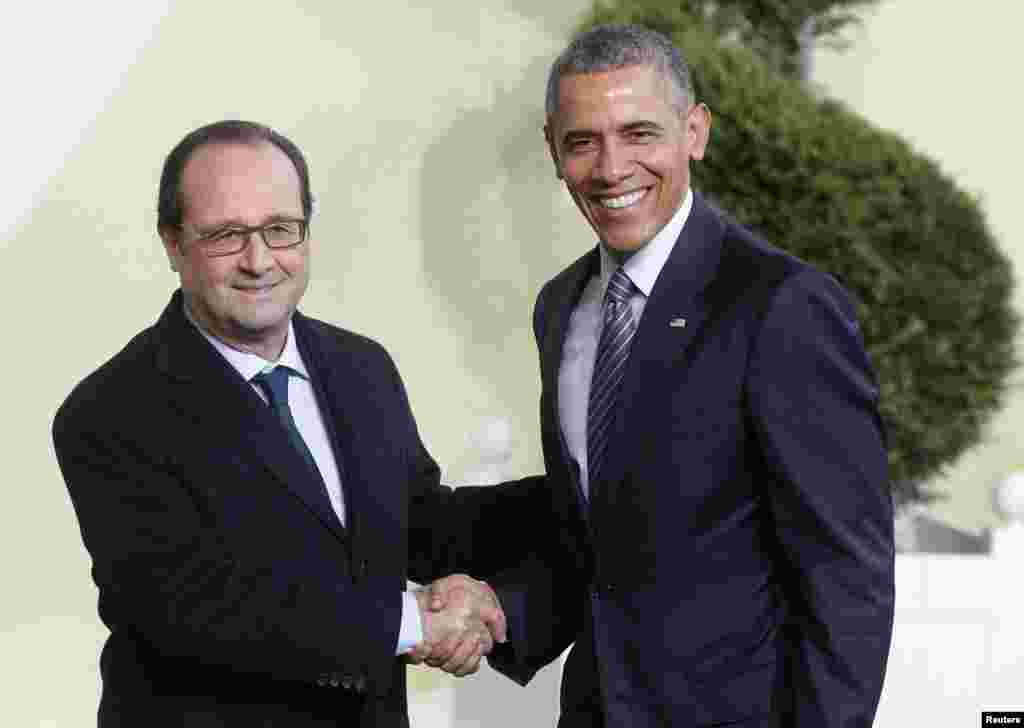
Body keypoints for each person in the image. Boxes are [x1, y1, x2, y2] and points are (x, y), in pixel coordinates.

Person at [435, 23, 895, 727]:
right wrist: (502, 610)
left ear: (695, 132)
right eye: (582, 141)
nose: (611, 167)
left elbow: (846, 575)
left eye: (639, 134)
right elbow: (600, 539)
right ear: (553, 150)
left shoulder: (780, 305)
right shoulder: (561, 307)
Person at [52, 120, 530, 727]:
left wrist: (582, 492)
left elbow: (423, 527)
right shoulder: (108, 413)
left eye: (280, 229)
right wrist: (414, 622)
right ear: (172, 243)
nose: (259, 261)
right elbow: (194, 609)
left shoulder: (361, 367)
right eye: (226, 235)